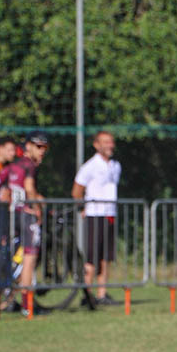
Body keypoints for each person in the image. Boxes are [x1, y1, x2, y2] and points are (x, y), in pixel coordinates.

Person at [0, 130, 50, 311]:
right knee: (30, 258)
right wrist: (37, 208)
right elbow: (29, 188)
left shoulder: (14, 166)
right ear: (28, 146)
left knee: (16, 259)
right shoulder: (29, 165)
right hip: (25, 216)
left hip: (11, 215)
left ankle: (9, 298)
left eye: (45, 147)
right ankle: (27, 305)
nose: (42, 151)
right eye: (38, 147)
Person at [72, 130, 121, 306]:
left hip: (110, 215)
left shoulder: (115, 165)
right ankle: (87, 294)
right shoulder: (90, 166)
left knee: (105, 257)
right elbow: (77, 190)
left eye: (111, 142)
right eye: (105, 142)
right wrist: (82, 208)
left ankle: (102, 293)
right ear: (96, 145)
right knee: (91, 257)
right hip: (94, 215)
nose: (110, 145)